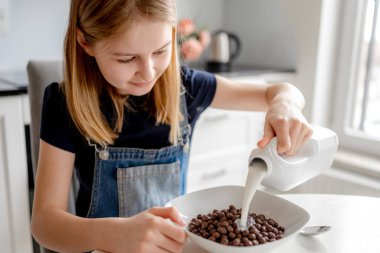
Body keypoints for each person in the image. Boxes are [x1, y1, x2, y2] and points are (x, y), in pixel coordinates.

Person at [30, 0, 312, 252]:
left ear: (174, 34)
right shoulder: (64, 104)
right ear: (85, 42)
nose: (149, 72)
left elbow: (276, 92)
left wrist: (284, 104)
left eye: (160, 50)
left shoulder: (187, 89)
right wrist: (113, 234)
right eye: (127, 58)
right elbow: (44, 223)